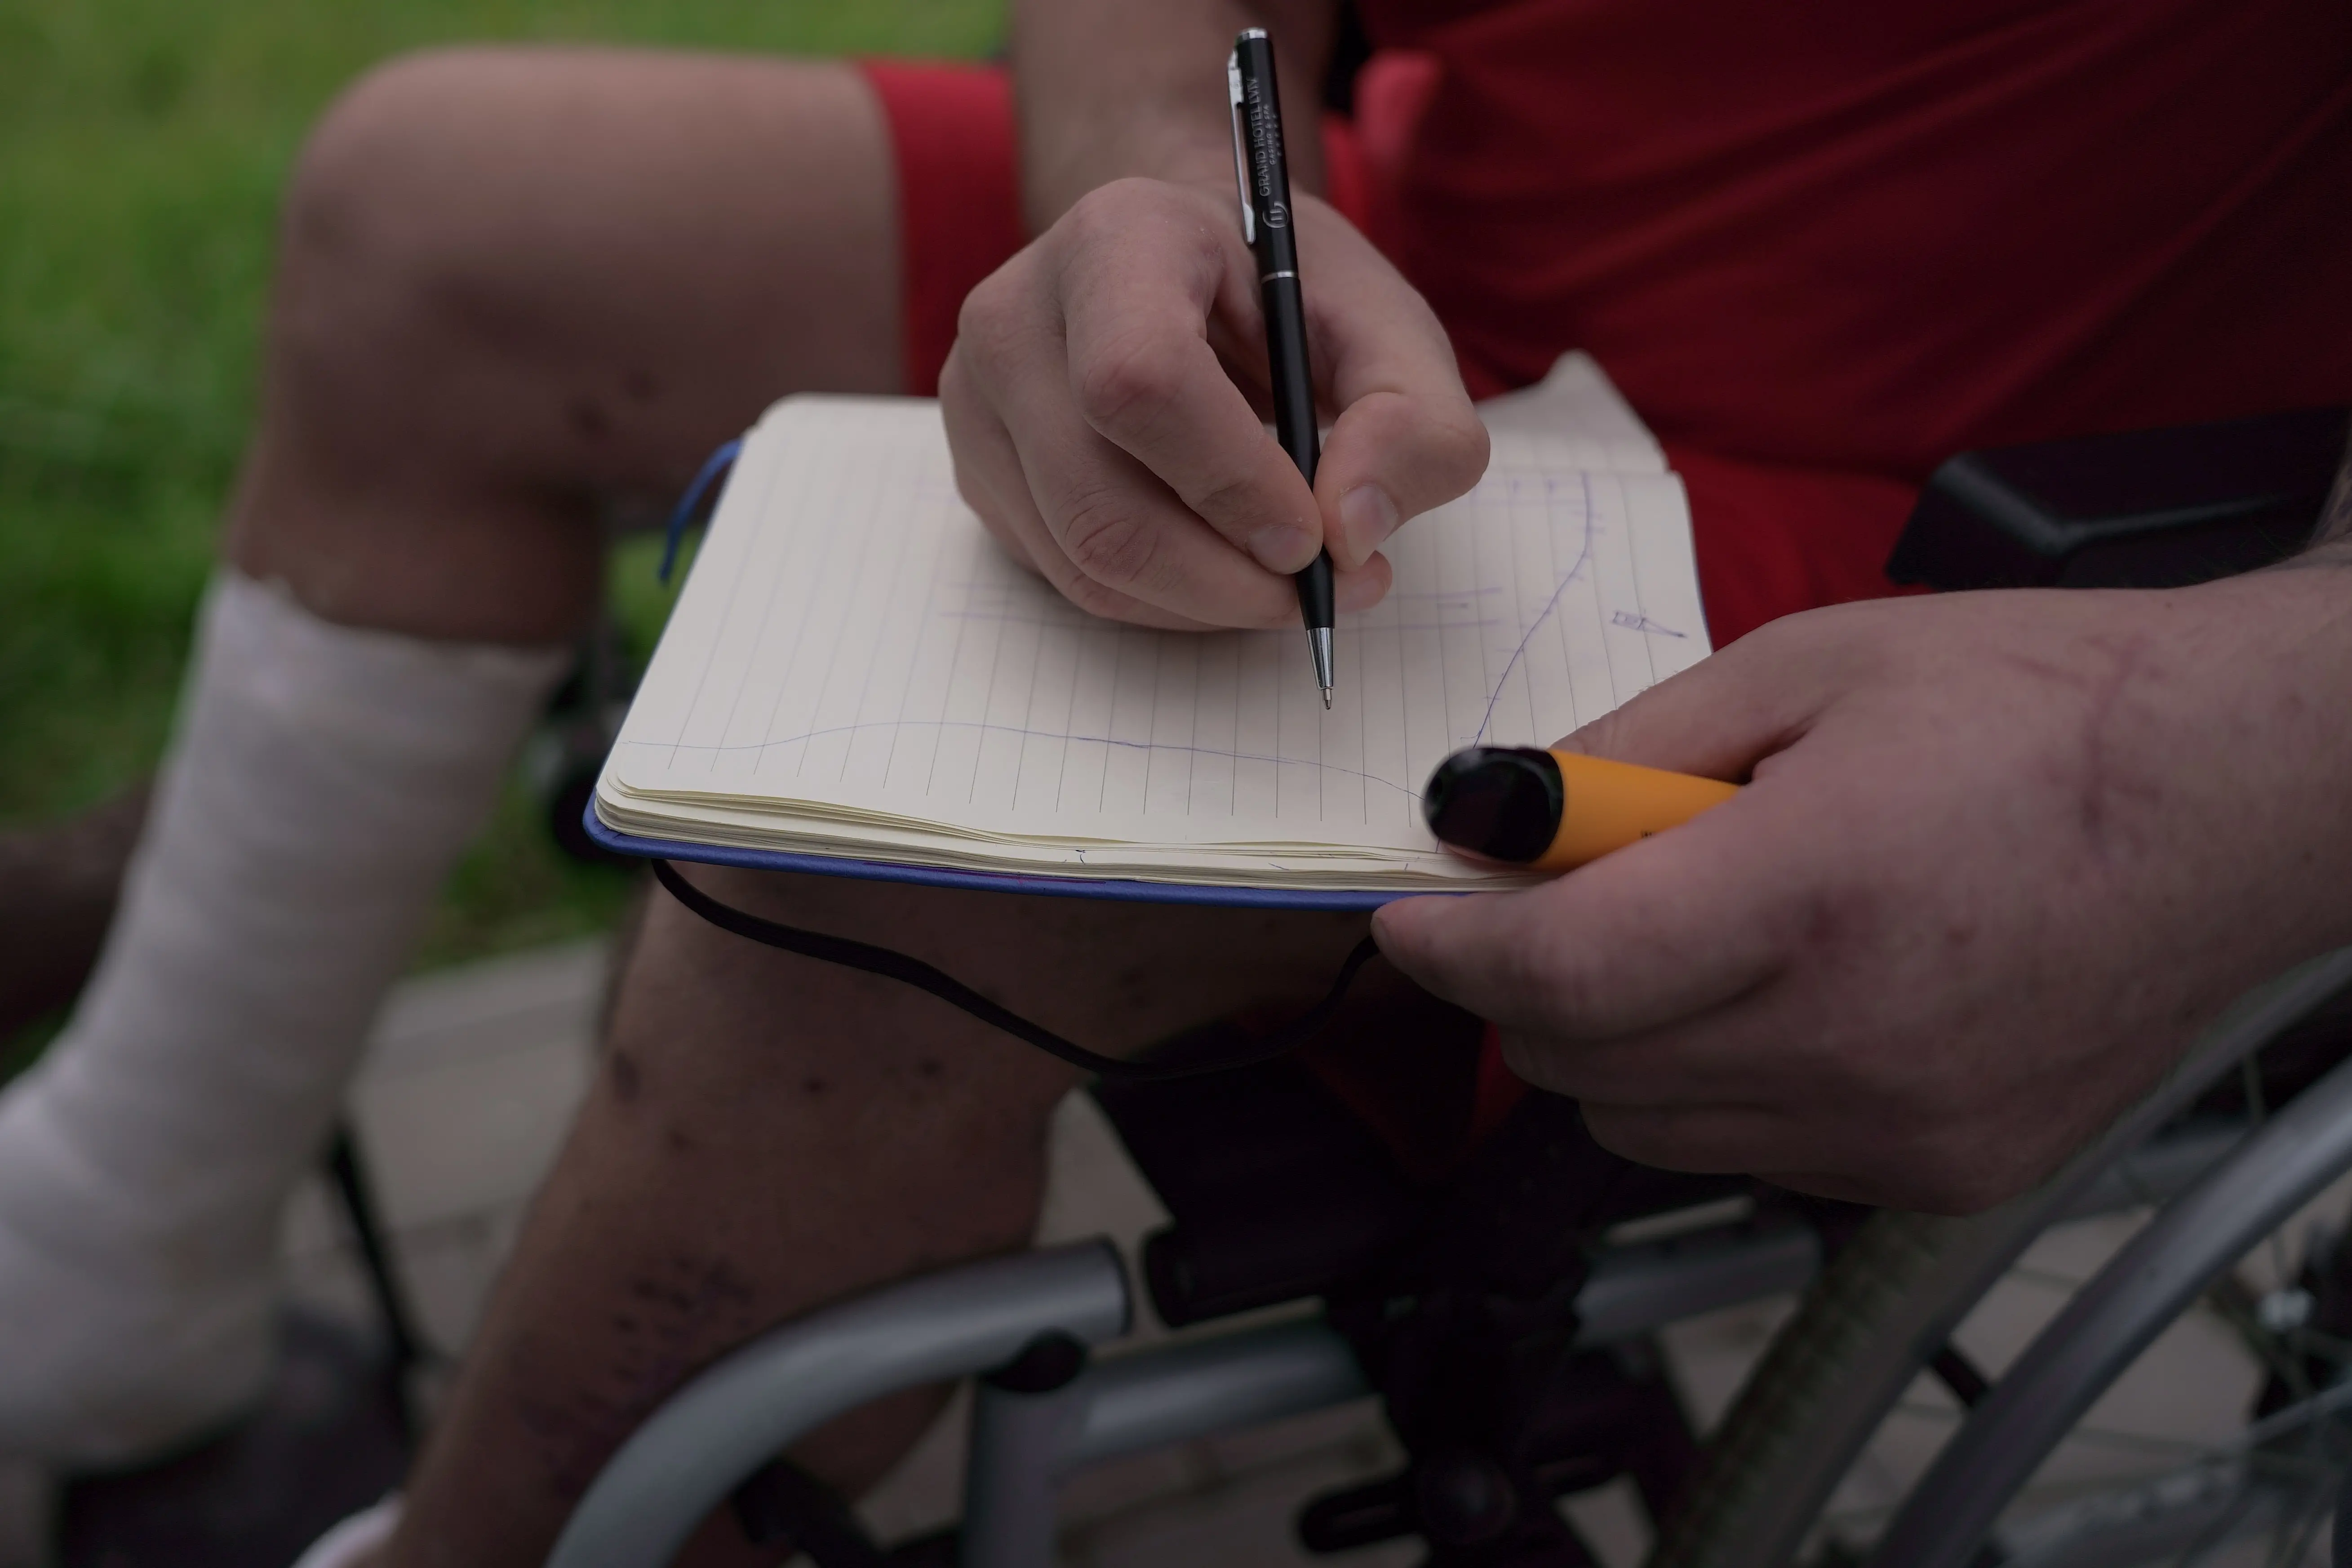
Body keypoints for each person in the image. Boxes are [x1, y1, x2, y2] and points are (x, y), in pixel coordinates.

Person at [0, 0, 2345, 1562]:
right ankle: (122, 1255)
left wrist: (2239, 773)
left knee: (923, 821)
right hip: (1408, 260)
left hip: (1987, 502)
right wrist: (1154, 184)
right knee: (449, 215)